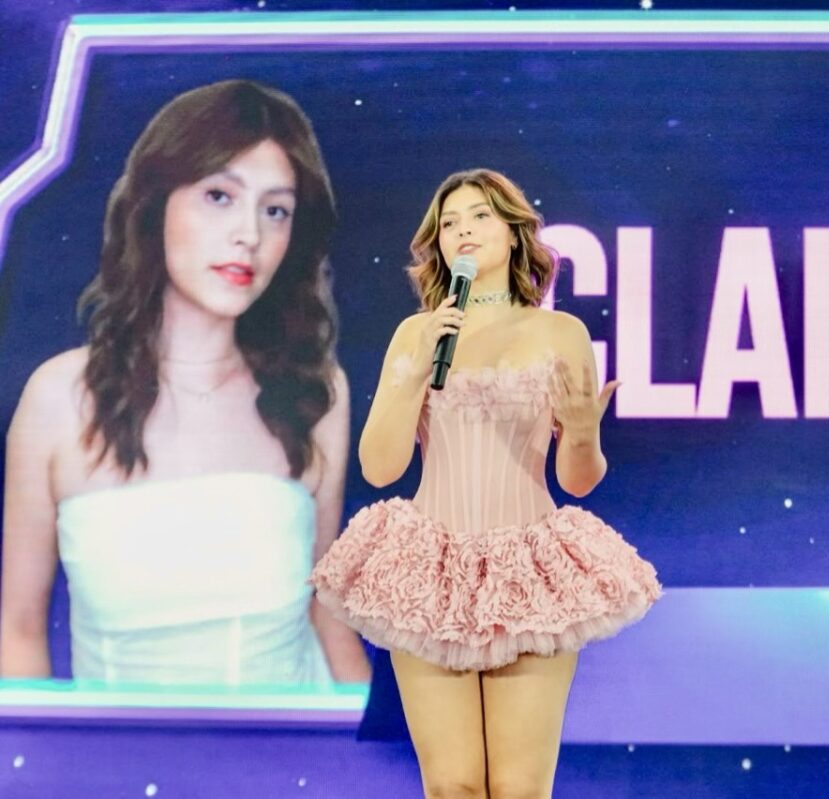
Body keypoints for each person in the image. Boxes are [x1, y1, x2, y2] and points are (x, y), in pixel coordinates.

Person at [0, 80, 370, 687]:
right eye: (220, 196)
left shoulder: (316, 392)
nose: (249, 234)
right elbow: (17, 630)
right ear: (156, 206)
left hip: (294, 744)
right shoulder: (60, 398)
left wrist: (377, 749)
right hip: (120, 751)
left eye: (275, 210)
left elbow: (327, 619)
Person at [311, 168, 661, 798]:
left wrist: (583, 432)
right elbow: (379, 467)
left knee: (519, 788)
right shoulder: (418, 334)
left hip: (529, 567)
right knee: (454, 785)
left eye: (479, 216)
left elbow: (577, 480)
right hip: (430, 569)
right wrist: (415, 373)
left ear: (514, 231)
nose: (463, 231)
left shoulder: (560, 333)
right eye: (449, 223)